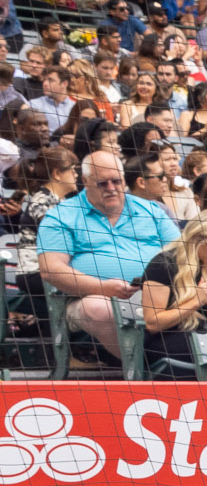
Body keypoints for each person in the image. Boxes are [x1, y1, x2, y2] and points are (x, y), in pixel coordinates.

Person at [38, 148, 179, 356]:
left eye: (117, 181)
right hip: (91, 297)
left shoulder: (151, 210)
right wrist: (103, 287)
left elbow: (182, 254)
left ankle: (171, 363)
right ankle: (143, 365)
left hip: (156, 294)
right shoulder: (61, 216)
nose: (111, 188)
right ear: (85, 181)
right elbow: (51, 270)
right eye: (102, 183)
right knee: (98, 309)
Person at [136, 211, 207, 374]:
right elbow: (153, 323)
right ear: (197, 239)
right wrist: (198, 299)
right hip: (166, 339)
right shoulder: (162, 265)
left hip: (200, 334)